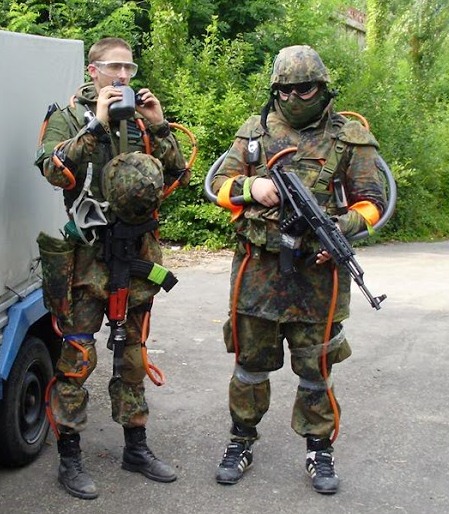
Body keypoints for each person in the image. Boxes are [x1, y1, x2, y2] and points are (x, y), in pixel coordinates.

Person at [210, 45, 386, 494]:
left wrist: (341, 228)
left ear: (323, 88)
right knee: (249, 365)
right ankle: (240, 439)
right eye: (284, 90)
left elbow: (373, 203)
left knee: (316, 368)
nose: (293, 97)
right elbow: (218, 185)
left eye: (304, 88)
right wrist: (253, 186)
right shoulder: (254, 133)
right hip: (258, 272)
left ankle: (319, 449)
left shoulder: (350, 138)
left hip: (318, 276)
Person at [35, 37, 189, 500]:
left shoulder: (142, 120)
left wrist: (159, 125)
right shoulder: (69, 118)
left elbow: (177, 175)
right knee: (77, 359)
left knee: (132, 357)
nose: (123, 76)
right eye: (114, 67)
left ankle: (135, 447)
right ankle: (70, 456)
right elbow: (53, 169)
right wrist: (97, 125)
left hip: (137, 258)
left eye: (129, 68)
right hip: (87, 261)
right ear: (93, 70)